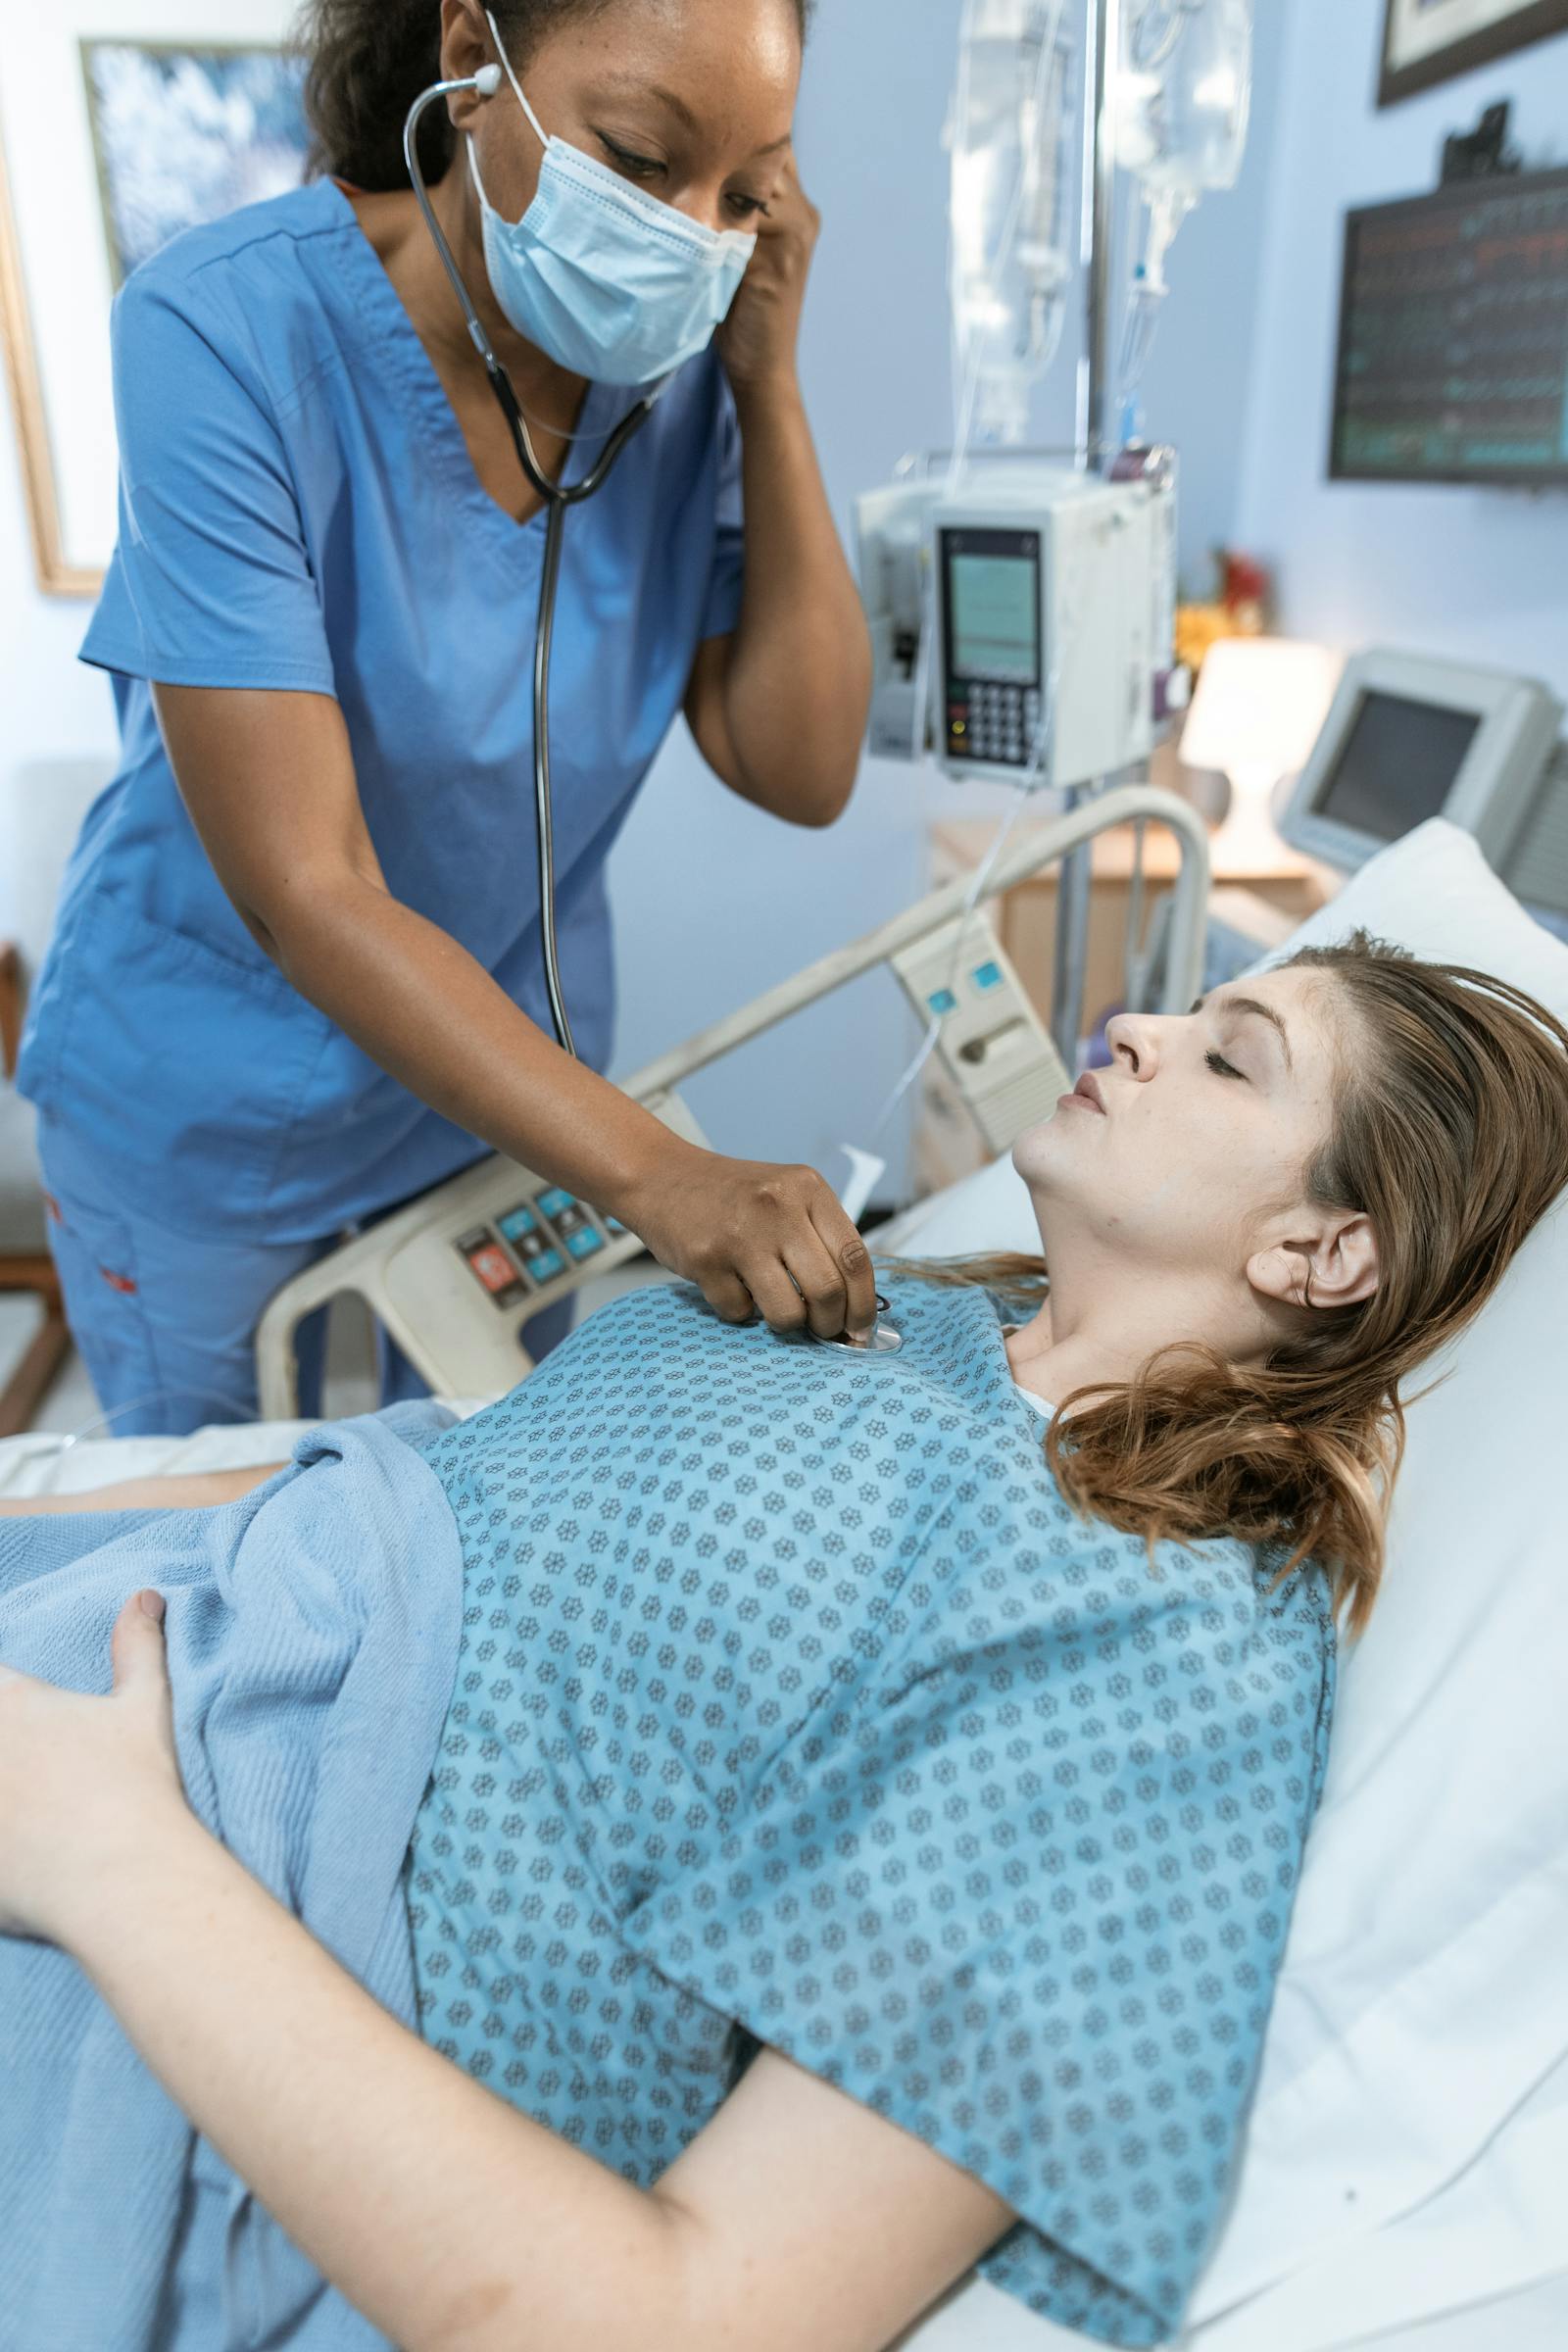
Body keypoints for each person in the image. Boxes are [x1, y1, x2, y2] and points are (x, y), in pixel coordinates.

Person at [3, 935, 1565, 2352]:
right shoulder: (917, 1313)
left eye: (1230, 1056)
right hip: (124, 1624)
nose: (1134, 1027)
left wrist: (106, 1853)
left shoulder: (1158, 1640)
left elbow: (703, 2317)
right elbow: (456, 1472)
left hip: (192, 1878)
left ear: (1321, 1254)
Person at [16, 0, 878, 1438]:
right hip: (208, 1121)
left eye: (747, 191)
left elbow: (802, 766)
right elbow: (309, 887)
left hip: (499, 1115)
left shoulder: (679, 389)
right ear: (472, 59)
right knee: (228, 1564)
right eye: (638, 157)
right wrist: (661, 1175)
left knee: (458, 1533)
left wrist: (768, 385)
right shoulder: (221, 328)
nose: (690, 233)